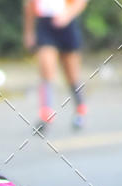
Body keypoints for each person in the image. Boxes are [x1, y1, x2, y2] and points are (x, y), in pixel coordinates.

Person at [23, 0, 89, 133]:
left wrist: (68, 15)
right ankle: (46, 114)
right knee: (46, 70)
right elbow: (29, 6)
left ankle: (80, 109)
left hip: (67, 24)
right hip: (45, 25)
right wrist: (29, 32)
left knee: (71, 75)